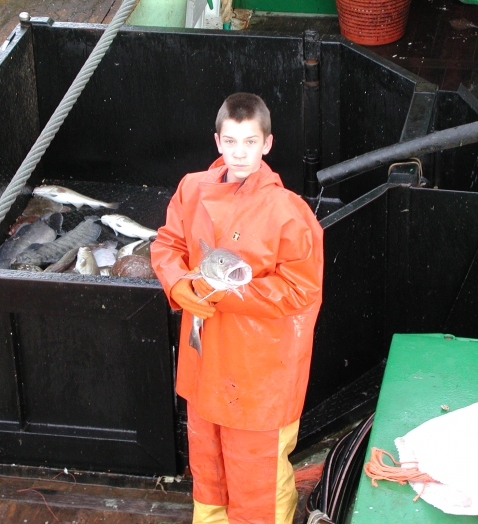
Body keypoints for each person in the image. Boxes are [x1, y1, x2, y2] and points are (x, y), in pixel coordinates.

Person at [150, 92, 324, 524]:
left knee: (257, 481)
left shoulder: (290, 212)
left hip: (259, 374)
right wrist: (176, 285)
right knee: (208, 472)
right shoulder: (191, 189)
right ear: (217, 141)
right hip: (204, 363)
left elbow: (302, 290)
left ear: (267, 144)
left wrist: (220, 293)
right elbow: (167, 244)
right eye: (231, 142)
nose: (239, 153)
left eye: (250, 142)